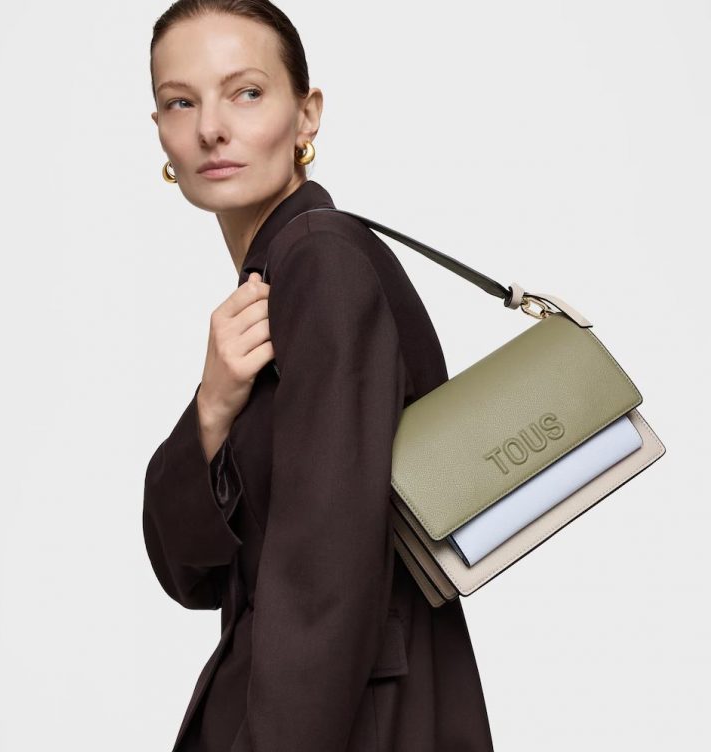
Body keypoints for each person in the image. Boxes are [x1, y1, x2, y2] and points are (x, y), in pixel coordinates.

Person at [143, 1, 495, 750]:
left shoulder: (320, 262)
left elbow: (326, 574)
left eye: (246, 92)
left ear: (306, 115)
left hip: (340, 722)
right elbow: (189, 573)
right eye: (181, 102)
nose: (211, 128)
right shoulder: (273, 281)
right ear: (161, 133)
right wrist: (211, 408)